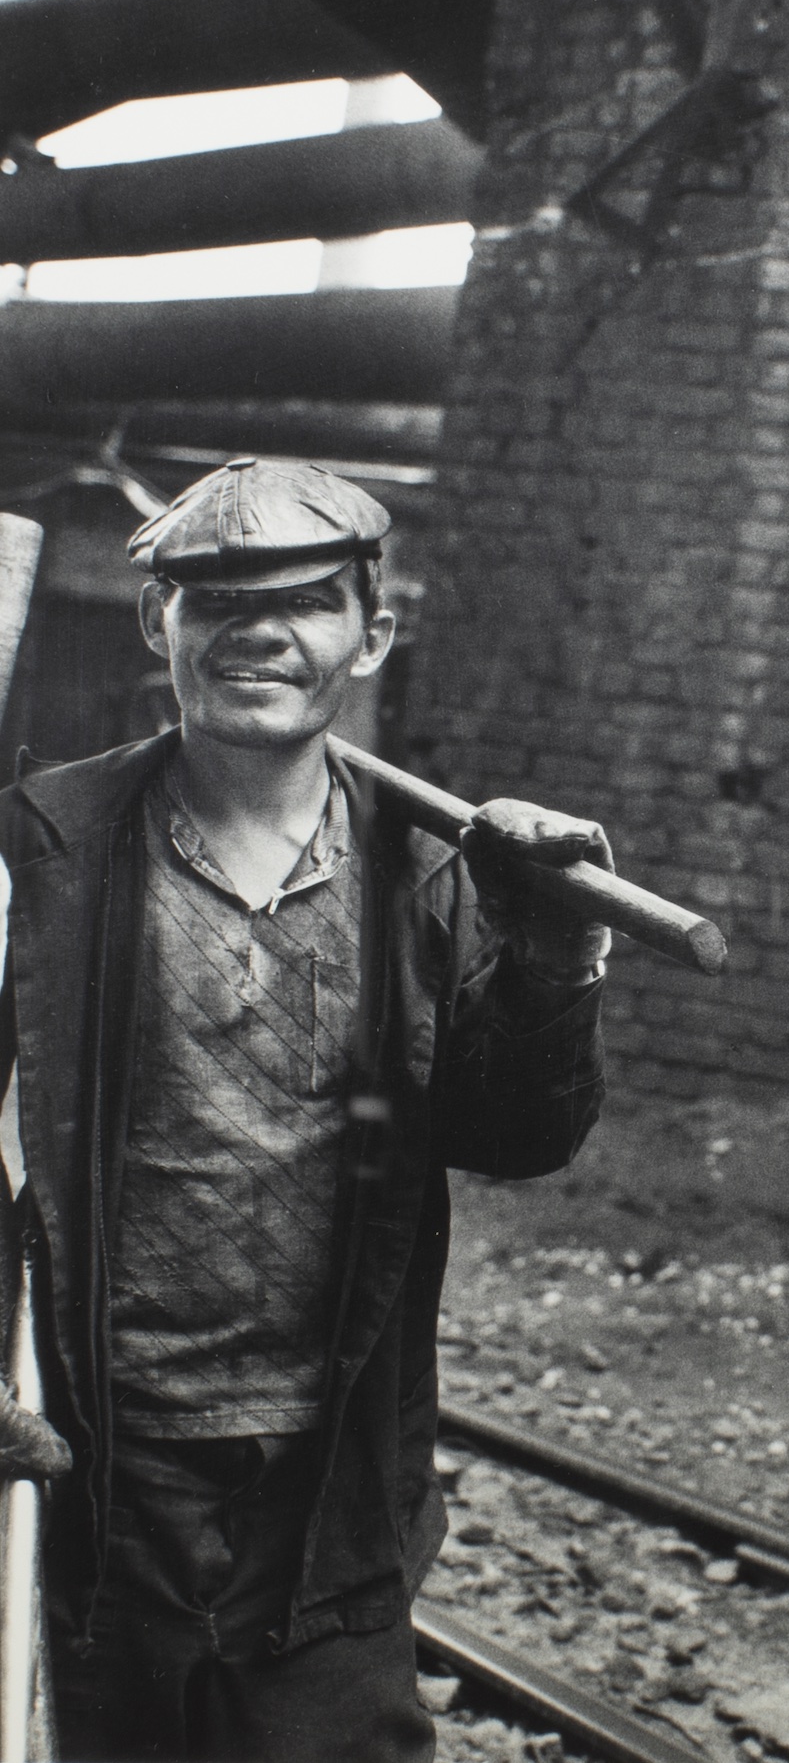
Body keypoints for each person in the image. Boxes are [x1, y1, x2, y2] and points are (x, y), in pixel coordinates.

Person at [0, 457, 616, 1761]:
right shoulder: (41, 855)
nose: (261, 631)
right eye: (216, 599)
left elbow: (516, 1137)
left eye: (308, 601)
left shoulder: (431, 868)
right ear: (151, 621)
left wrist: (552, 960)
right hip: (103, 1467)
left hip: (332, 1472)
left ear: (372, 633)